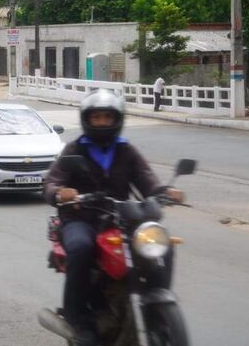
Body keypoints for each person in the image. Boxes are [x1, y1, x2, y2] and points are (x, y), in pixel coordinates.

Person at [44, 90, 183, 346]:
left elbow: (147, 181)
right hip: (81, 218)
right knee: (81, 248)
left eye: (107, 118)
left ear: (117, 120)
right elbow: (52, 182)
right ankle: (78, 320)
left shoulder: (126, 150)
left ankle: (154, 297)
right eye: (97, 118)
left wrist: (164, 192)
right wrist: (61, 193)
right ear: (87, 120)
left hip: (121, 219)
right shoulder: (75, 150)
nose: (102, 123)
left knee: (161, 244)